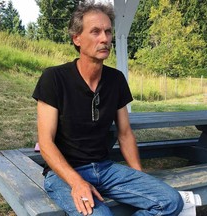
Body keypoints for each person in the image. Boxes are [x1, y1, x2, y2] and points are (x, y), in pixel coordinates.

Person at [32, 1, 183, 216]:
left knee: (170, 201)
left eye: (108, 31)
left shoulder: (116, 79)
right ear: (77, 38)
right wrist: (77, 182)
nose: (104, 39)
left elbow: (125, 134)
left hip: (105, 168)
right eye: (95, 32)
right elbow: (46, 143)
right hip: (64, 173)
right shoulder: (54, 78)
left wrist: (139, 175)